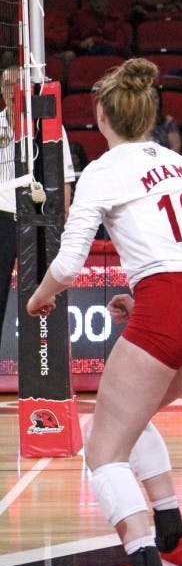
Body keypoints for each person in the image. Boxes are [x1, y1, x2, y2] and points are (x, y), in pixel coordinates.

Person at [26, 58, 182, 566]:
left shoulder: (101, 170)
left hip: (171, 308)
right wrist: (149, 304)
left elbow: (68, 264)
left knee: (102, 451)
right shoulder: (181, 164)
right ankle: (176, 546)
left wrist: (39, 297)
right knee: (131, 422)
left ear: (101, 115)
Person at [0, 66, 75, 352]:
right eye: (6, 85)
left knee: (43, 299)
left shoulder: (48, 127)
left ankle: (50, 360)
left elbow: (65, 180)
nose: (12, 92)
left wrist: (60, 227)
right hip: (3, 219)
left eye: (17, 86)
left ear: (27, 91)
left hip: (40, 220)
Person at [68, 0, 132, 57]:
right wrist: (81, 44)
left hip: (111, 54)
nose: (98, 2)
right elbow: (73, 41)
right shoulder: (81, 17)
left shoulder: (116, 19)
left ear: (107, 1)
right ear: (89, 2)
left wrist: (97, 40)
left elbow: (120, 45)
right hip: (87, 52)